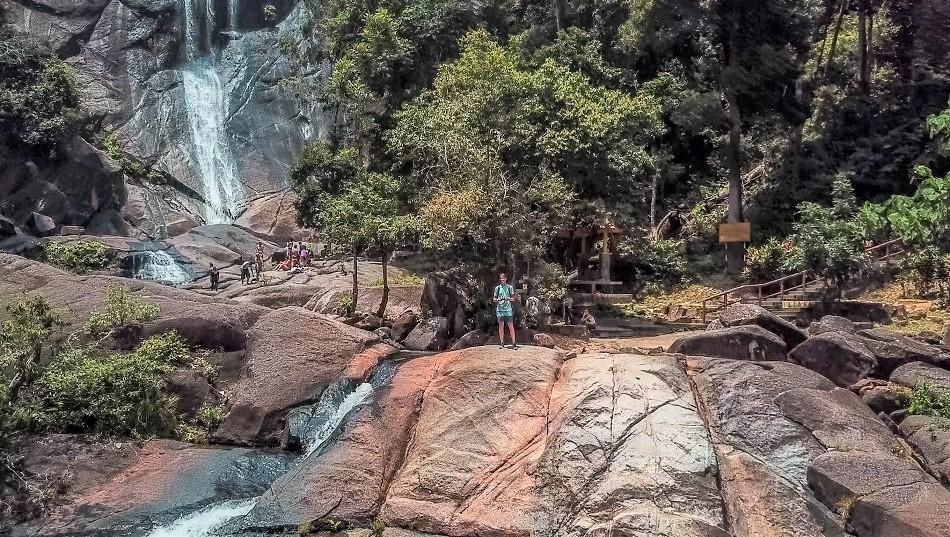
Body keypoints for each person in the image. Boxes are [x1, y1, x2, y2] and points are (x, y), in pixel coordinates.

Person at [493, 272, 518, 349]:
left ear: (506, 279)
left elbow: (513, 299)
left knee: (511, 326)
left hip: (508, 309)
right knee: (501, 326)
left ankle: (514, 343)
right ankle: (501, 343)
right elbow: (494, 299)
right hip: (500, 310)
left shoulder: (510, 287)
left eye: (503, 278)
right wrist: (498, 299)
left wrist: (509, 298)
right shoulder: (497, 288)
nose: (502, 280)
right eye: (501, 279)